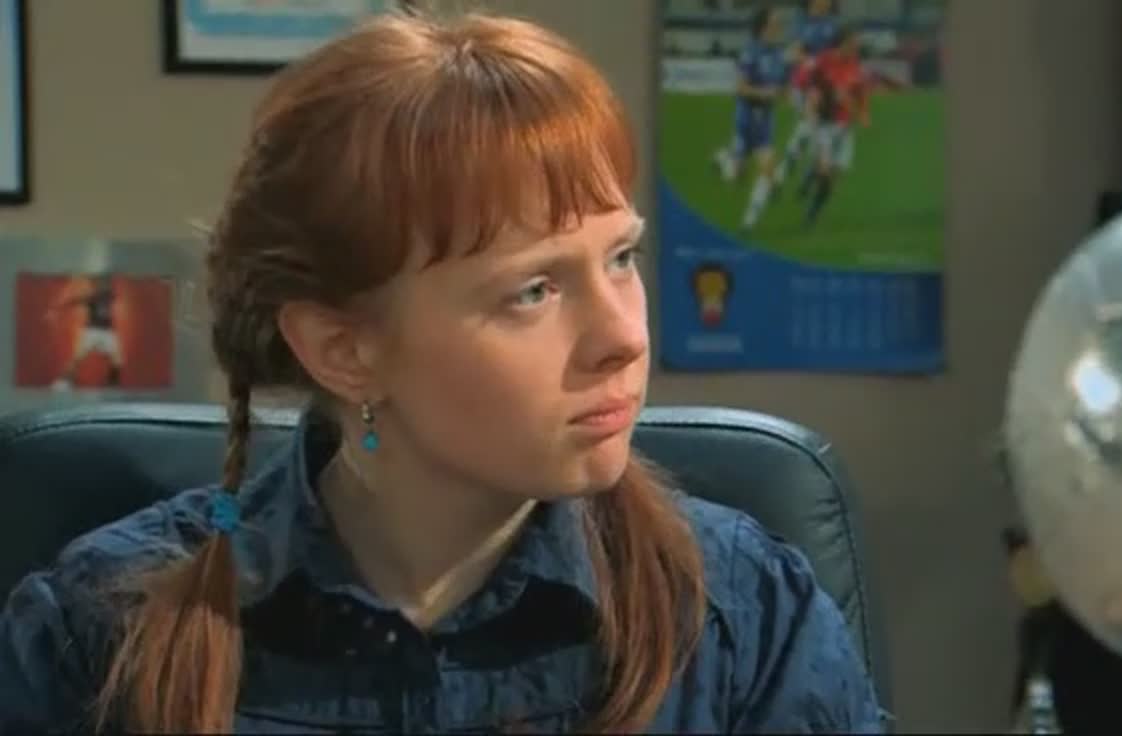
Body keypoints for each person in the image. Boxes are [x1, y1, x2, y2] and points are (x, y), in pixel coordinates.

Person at [0, 11, 884, 734]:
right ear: (344, 350)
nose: (623, 337)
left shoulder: (743, 618)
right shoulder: (98, 636)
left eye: (621, 258)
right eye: (534, 291)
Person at [712, 5, 790, 231]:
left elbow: (781, 86)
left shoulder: (777, 54)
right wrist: (766, 93)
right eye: (775, 23)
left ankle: (749, 221)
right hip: (747, 116)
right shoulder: (751, 52)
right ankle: (724, 159)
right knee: (738, 176)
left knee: (768, 168)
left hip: (765, 119)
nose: (779, 28)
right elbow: (741, 88)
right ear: (763, 27)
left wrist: (783, 92)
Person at [796, 24, 874, 227]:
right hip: (824, 123)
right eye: (854, 42)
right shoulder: (824, 60)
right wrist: (811, 104)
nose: (857, 45)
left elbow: (862, 92)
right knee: (825, 171)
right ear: (843, 43)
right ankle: (810, 206)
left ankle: (813, 205)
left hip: (845, 127)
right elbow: (807, 81)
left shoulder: (855, 64)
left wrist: (864, 113)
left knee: (833, 179)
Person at [774, 0, 841, 185]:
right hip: (803, 84)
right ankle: (810, 167)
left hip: (824, 85)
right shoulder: (801, 23)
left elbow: (836, 56)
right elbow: (793, 54)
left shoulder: (832, 25)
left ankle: (796, 167)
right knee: (814, 125)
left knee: (811, 127)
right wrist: (808, 62)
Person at [45, 274, 123, 390]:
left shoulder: (110, 295)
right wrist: (56, 309)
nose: (105, 285)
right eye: (102, 283)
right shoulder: (91, 297)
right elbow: (74, 301)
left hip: (107, 332)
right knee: (78, 357)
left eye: (107, 283)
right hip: (92, 331)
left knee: (117, 361)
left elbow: (111, 289)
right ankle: (64, 382)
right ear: (96, 286)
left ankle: (112, 384)